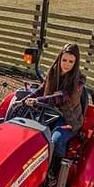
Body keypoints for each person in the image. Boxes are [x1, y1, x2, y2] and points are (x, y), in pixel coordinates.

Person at [24, 43, 86, 176]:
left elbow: (61, 96)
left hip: (67, 120)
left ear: (76, 63)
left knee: (56, 140)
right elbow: (42, 89)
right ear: (59, 59)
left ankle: (53, 175)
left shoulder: (79, 80)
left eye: (71, 61)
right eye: (64, 60)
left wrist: (38, 101)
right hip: (48, 113)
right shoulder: (53, 72)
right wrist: (27, 98)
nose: (67, 64)